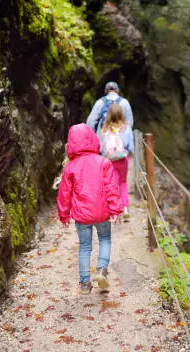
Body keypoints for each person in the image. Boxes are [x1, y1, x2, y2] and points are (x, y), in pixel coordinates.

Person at [57, 123, 123, 294]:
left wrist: (64, 215)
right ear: (93, 140)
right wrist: (115, 209)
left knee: (85, 247)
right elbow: (112, 187)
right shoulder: (104, 162)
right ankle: (101, 270)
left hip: (81, 215)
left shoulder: (70, 167)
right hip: (102, 212)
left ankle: (85, 283)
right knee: (105, 240)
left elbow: (64, 194)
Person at [99, 104, 134, 221]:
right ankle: (125, 209)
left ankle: (115, 210)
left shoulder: (104, 129)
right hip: (122, 159)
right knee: (123, 182)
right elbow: (130, 146)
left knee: (112, 184)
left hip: (110, 160)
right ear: (121, 114)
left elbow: (101, 148)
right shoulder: (126, 128)